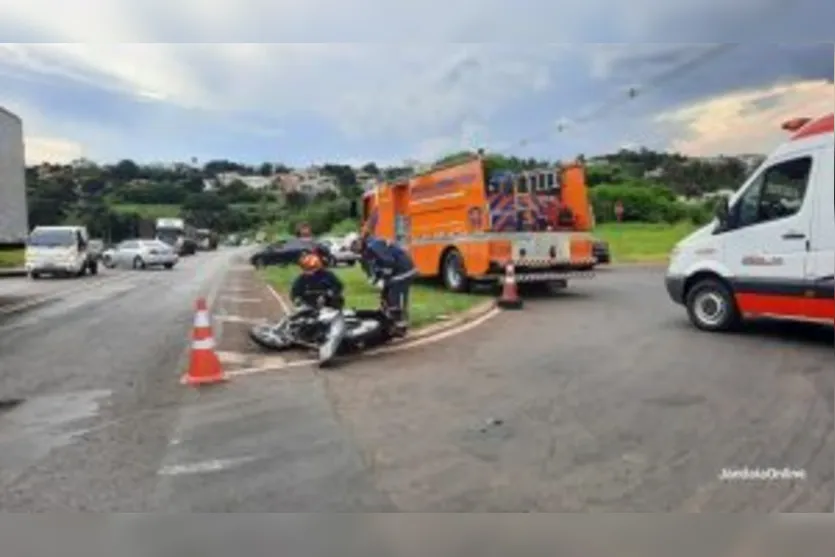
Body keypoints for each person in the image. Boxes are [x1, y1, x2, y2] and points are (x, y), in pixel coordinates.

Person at [351, 233, 416, 336]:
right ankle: (389, 322)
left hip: (403, 271)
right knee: (385, 297)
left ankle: (401, 327)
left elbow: (389, 262)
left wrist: (383, 278)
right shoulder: (368, 249)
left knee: (395, 297)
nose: (354, 249)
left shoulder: (373, 246)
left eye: (354, 246)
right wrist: (377, 278)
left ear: (359, 241)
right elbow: (376, 265)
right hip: (396, 272)